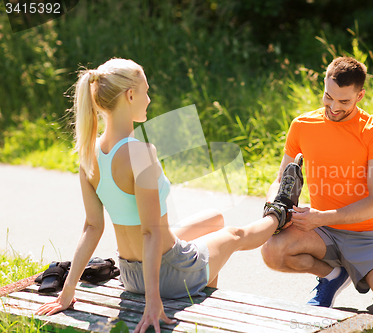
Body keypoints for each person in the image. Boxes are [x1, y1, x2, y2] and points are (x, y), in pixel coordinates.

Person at [35, 58, 287, 333]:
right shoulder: (140, 152)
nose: (149, 98)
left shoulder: (89, 153)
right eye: (145, 90)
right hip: (170, 274)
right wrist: (153, 302)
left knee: (214, 218)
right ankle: (279, 211)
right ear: (130, 95)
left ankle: (202, 296)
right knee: (235, 234)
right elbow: (151, 232)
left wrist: (68, 289)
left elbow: (93, 226)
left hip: (131, 275)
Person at [261, 57, 373, 321]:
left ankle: (371, 276)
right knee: (272, 250)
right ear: (324, 85)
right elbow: (280, 180)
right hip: (320, 231)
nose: (334, 107)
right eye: (328, 97)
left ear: (360, 95)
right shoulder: (302, 125)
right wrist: (272, 208)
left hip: (367, 233)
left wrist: (323, 217)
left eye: (344, 101)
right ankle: (332, 275)